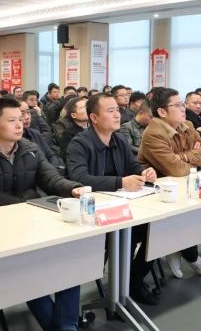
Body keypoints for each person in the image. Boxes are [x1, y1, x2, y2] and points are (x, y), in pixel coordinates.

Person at [0, 97, 103, 331]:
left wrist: (72, 188)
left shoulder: (29, 148)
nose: (20, 124)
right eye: (12, 120)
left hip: (34, 225)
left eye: (21, 119)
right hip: (1, 233)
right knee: (29, 274)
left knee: (70, 264)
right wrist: (14, 217)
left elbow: (50, 178)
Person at [66, 94, 159, 304]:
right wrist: (121, 182)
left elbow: (132, 165)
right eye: (110, 111)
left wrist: (145, 172)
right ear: (94, 117)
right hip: (93, 212)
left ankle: (133, 281)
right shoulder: (79, 143)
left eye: (117, 110)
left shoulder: (119, 139)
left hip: (121, 205)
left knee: (155, 229)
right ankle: (122, 291)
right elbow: (80, 178)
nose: (117, 114)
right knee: (128, 233)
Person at [137, 87, 201, 279]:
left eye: (182, 104)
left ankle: (179, 250)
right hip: (157, 196)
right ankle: (189, 255)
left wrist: (182, 156)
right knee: (173, 224)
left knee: (199, 214)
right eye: (178, 105)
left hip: (183, 188)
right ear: (162, 112)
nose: (183, 108)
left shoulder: (187, 125)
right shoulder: (154, 133)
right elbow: (176, 169)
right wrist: (193, 157)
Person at [19, 100, 64, 171]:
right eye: (22, 114)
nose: (27, 117)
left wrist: (53, 169)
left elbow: (51, 155)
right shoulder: (14, 141)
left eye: (28, 112)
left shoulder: (35, 134)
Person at [53, 96, 89, 162]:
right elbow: (68, 157)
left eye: (87, 106)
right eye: (82, 108)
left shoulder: (95, 129)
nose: (87, 109)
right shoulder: (69, 134)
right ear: (74, 115)